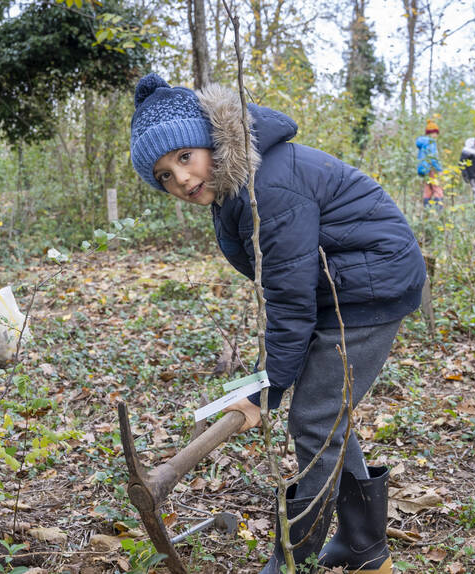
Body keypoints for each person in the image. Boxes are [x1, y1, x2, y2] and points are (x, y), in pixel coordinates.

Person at [129, 73, 426, 574]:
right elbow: (287, 289)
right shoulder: (237, 184)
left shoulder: (266, 185)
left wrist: (266, 391)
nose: (179, 179)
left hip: (367, 287)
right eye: (163, 174)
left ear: (210, 140)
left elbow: (288, 297)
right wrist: (262, 381)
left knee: (314, 418)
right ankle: (363, 547)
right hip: (338, 288)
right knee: (326, 412)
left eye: (184, 157)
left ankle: (292, 561)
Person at [416, 120, 443, 206]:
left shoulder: (422, 143)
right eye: (435, 133)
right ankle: (439, 213)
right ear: (432, 133)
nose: (436, 136)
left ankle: (426, 210)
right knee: (437, 189)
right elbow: (433, 157)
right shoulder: (431, 142)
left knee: (428, 189)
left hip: (424, 169)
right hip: (432, 168)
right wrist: (439, 169)